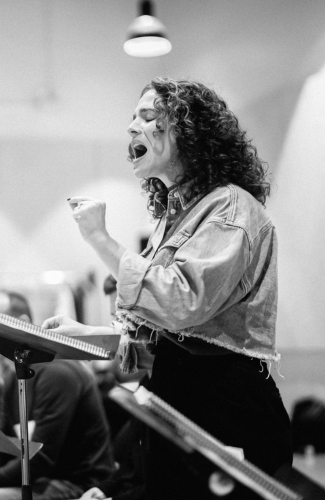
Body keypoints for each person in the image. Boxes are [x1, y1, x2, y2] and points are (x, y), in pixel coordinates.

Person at [41, 77, 293, 499]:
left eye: (148, 116)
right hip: (182, 394)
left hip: (225, 403)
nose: (131, 127)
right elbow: (163, 340)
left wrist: (101, 240)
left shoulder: (229, 205)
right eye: (132, 117)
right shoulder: (173, 218)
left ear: (188, 132)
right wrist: (89, 336)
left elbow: (182, 303)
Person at [0, 290, 115, 500]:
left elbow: (41, 458)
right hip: (39, 479)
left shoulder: (57, 372)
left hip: (75, 483)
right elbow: (1, 445)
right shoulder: (12, 375)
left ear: (22, 321)